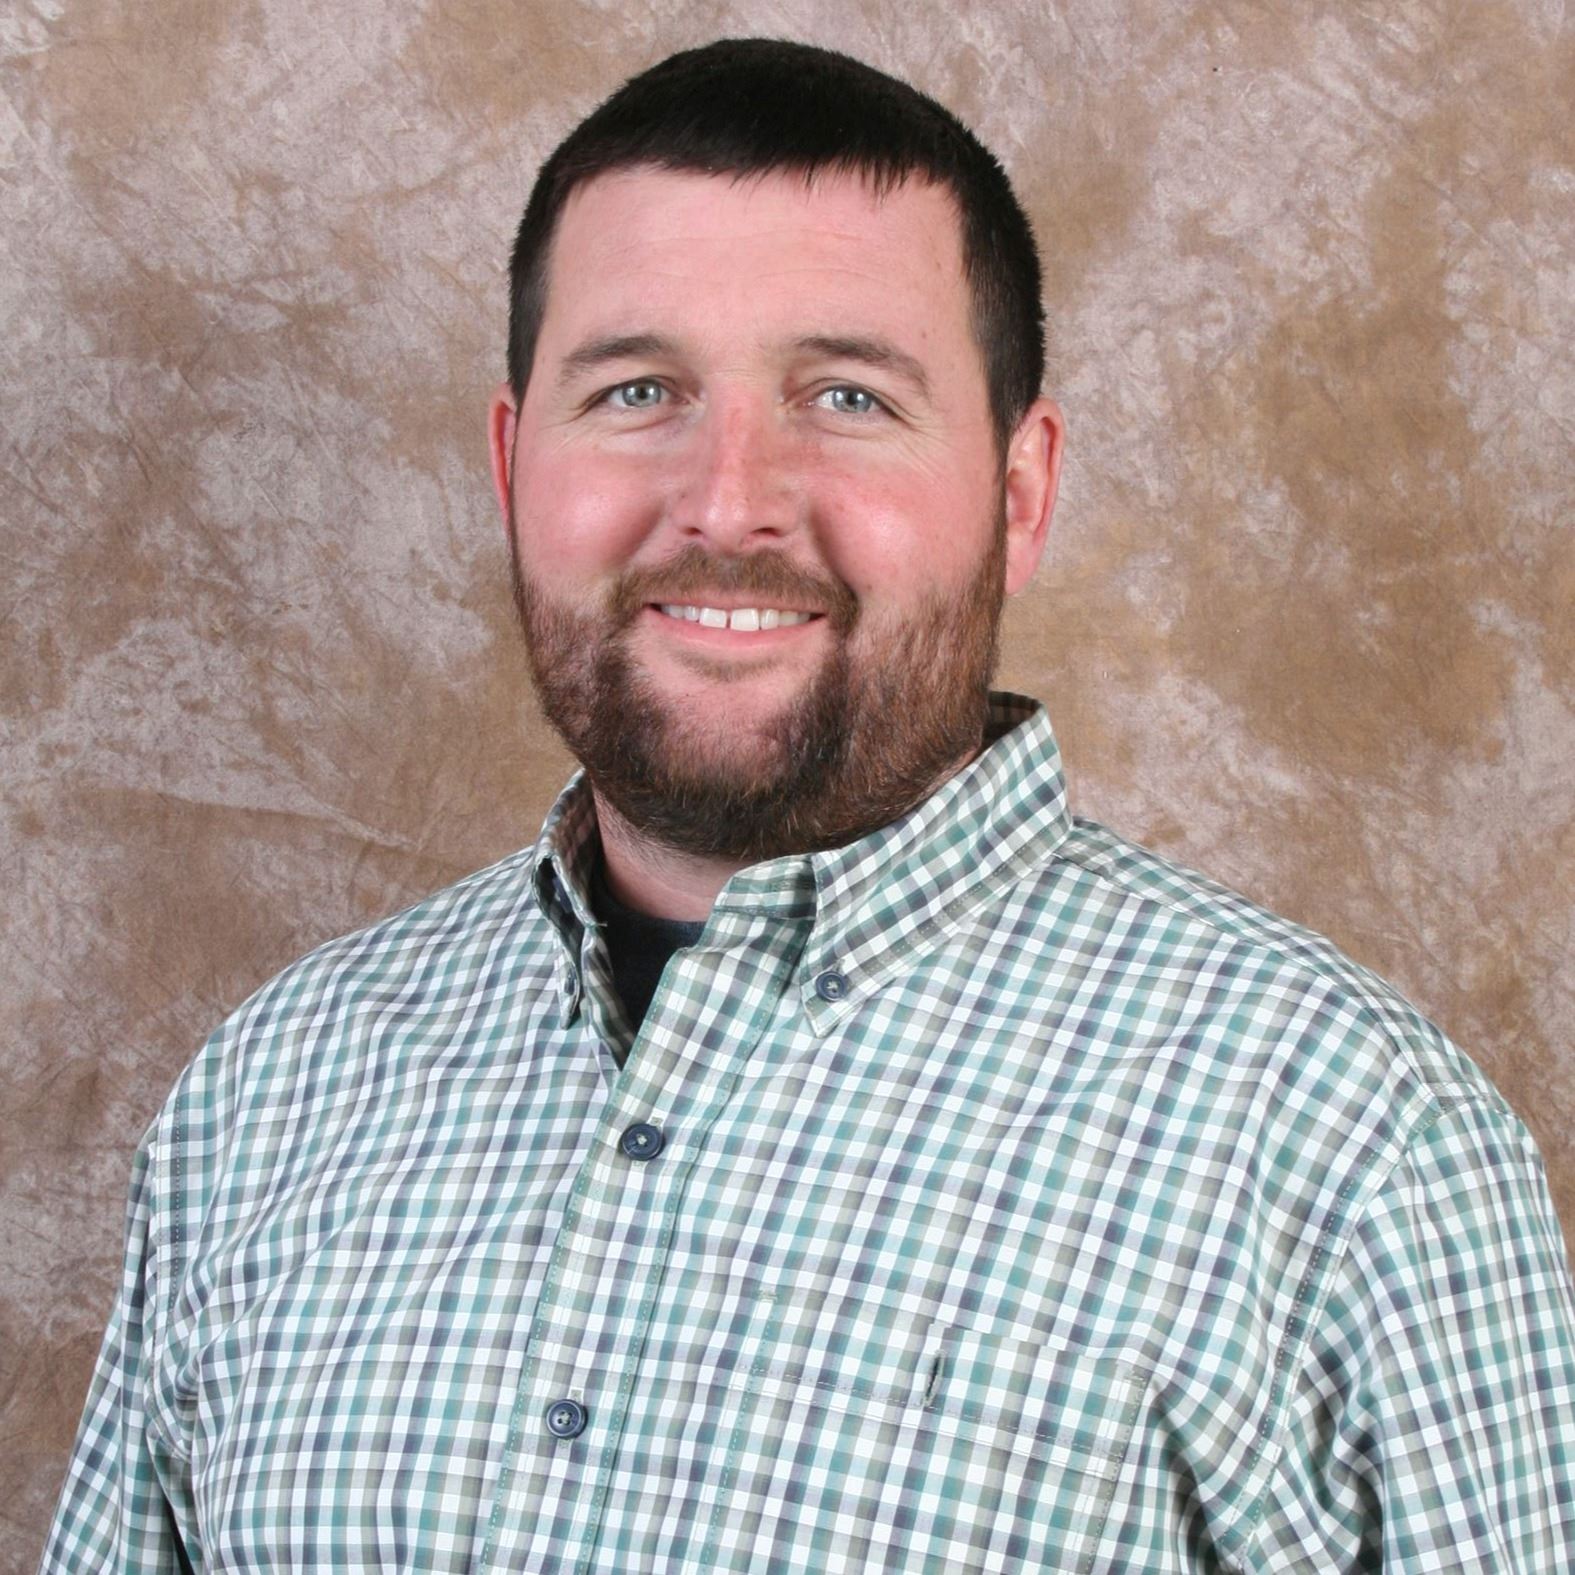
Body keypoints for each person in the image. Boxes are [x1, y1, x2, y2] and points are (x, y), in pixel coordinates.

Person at [42, 38, 1575, 1573]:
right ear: (516, 465)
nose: (727, 501)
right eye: (638, 389)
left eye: (847, 394)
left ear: (1020, 493)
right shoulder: (268, 1099)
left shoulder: (1357, 1153)